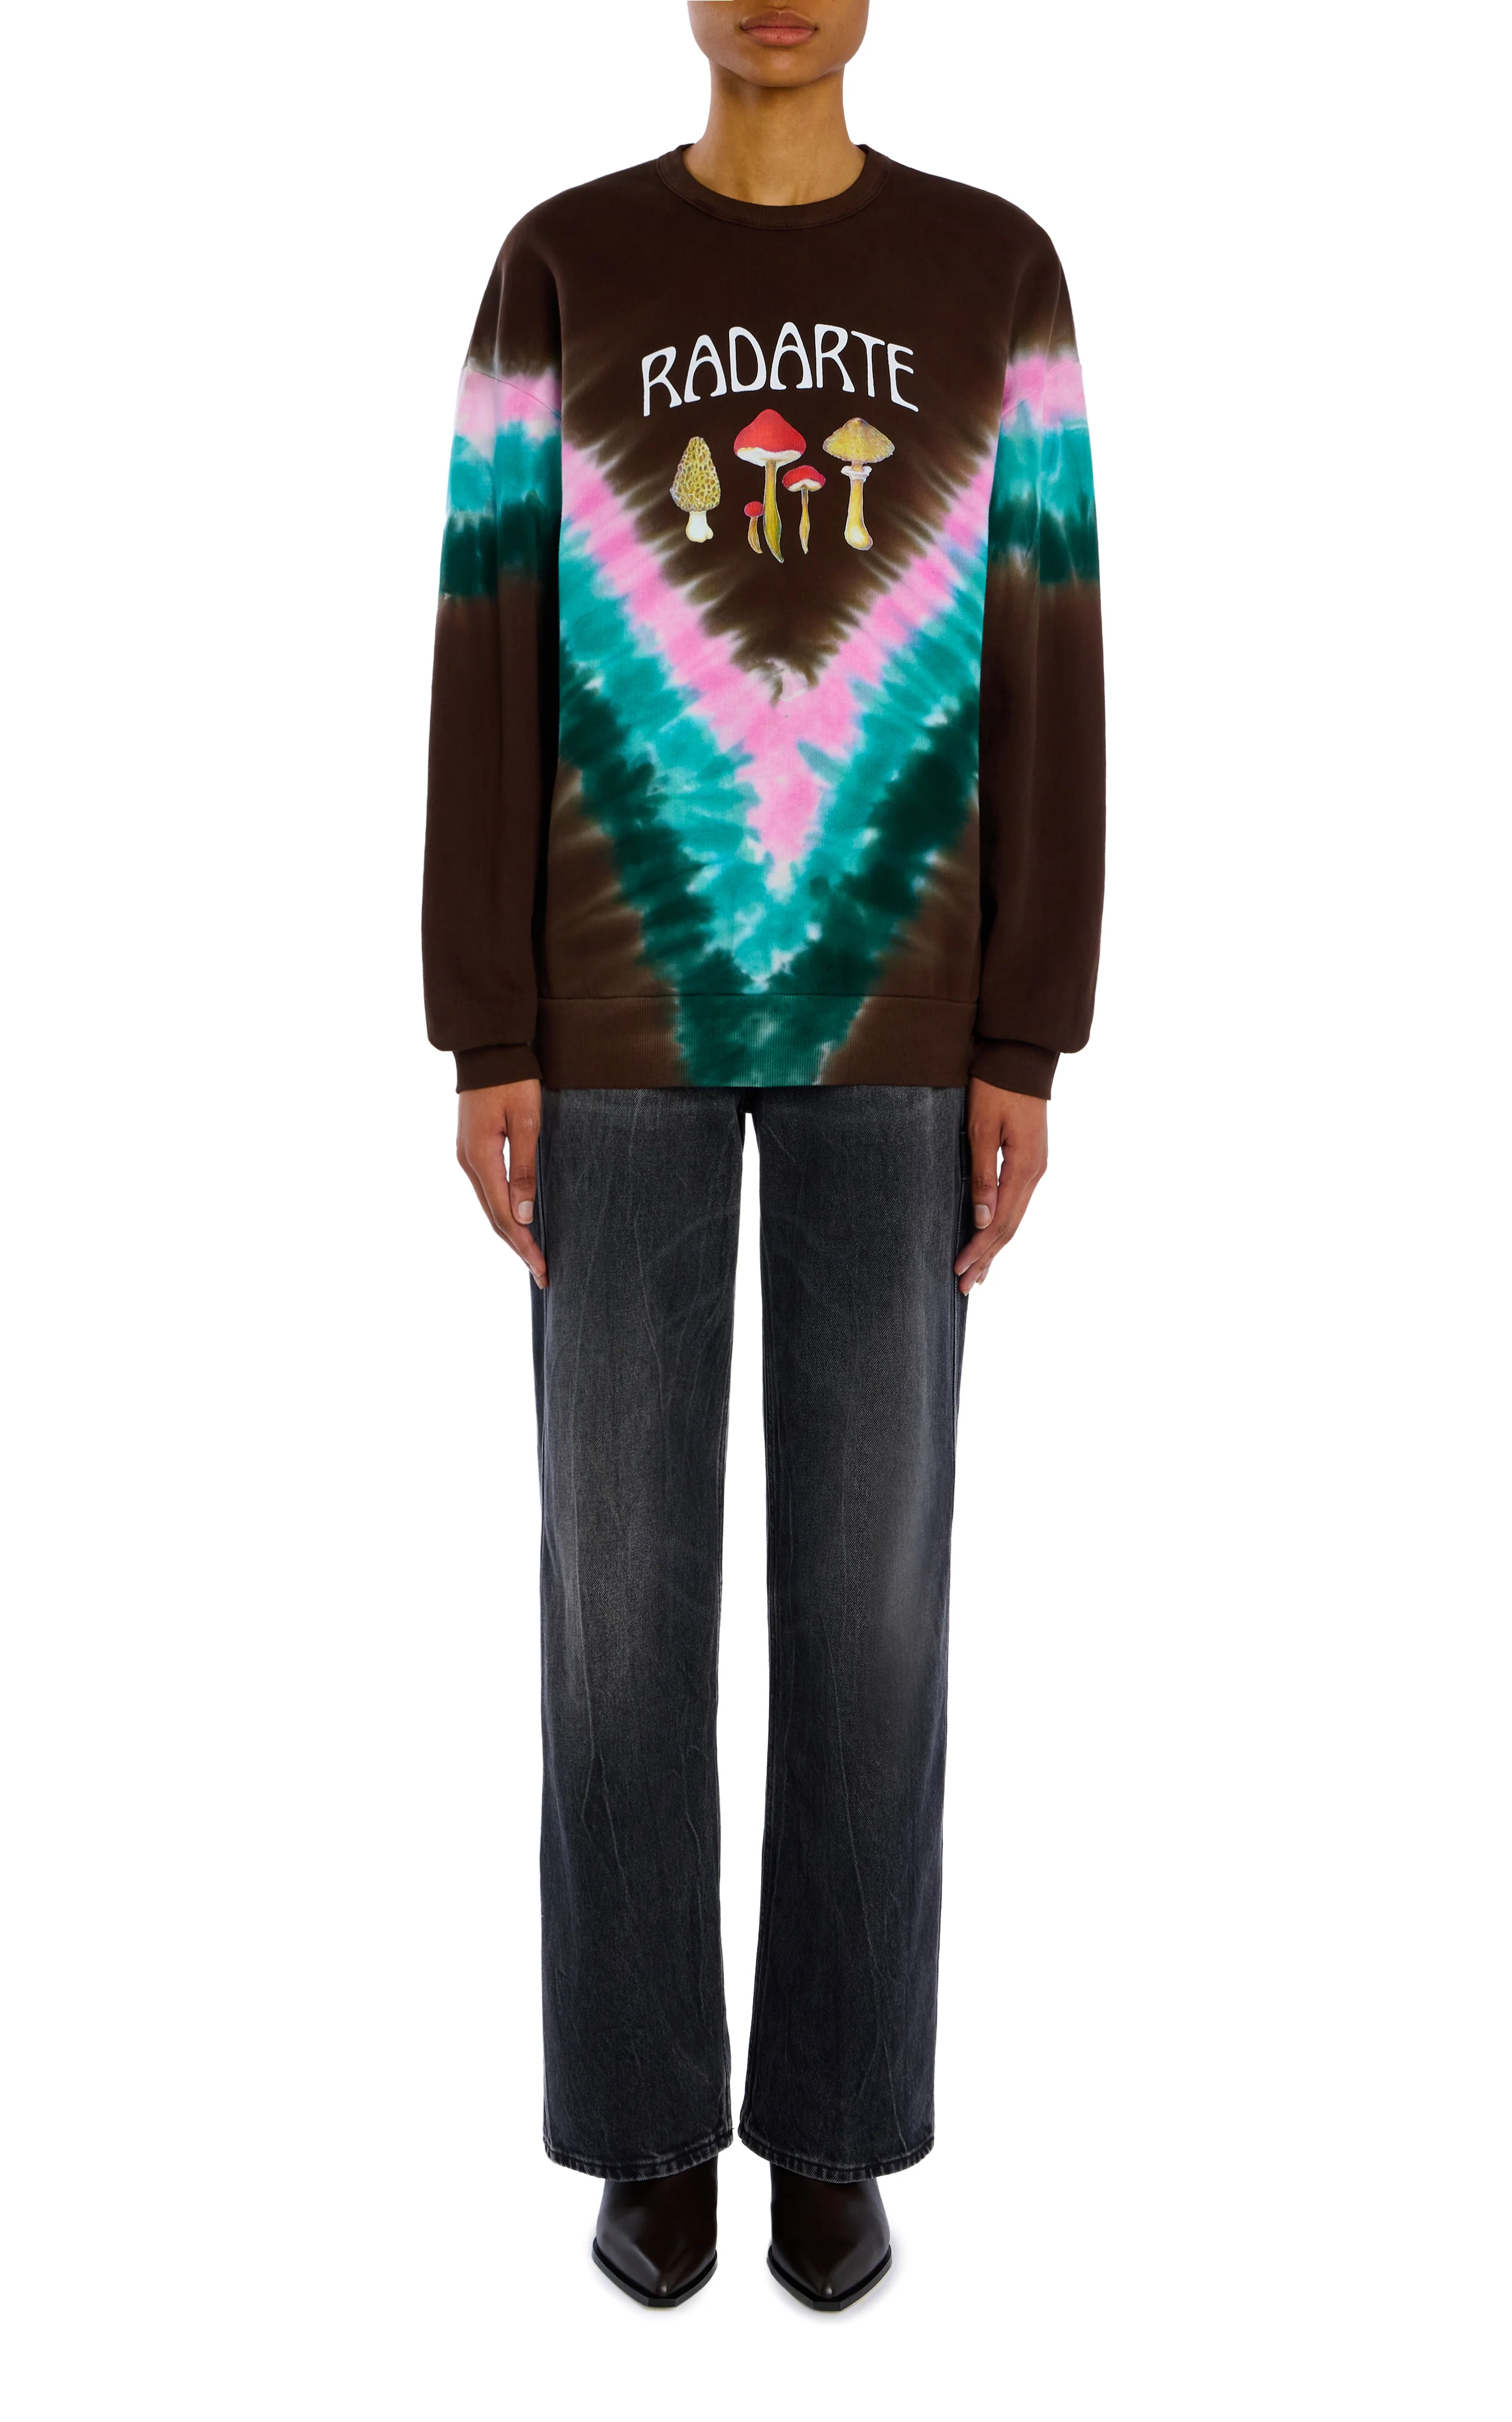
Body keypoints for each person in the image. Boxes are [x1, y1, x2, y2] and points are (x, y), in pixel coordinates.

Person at [421, 0, 1103, 2311]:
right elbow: (487, 625)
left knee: (871, 1603)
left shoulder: (994, 272)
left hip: (900, 1013)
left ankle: (832, 2123)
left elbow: (1048, 634)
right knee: (614, 1608)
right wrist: (484, 1017)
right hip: (610, 1012)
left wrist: (1026, 1024)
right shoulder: (561, 267)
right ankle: (642, 2128)